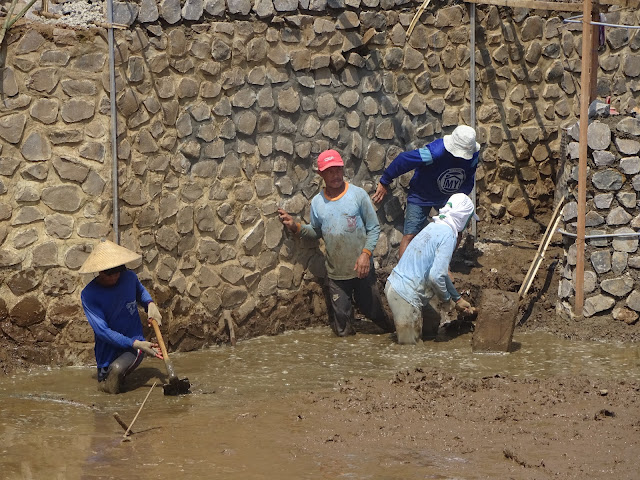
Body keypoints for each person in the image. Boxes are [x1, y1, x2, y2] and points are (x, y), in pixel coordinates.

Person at [278, 149, 394, 337]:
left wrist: (366, 254)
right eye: (330, 171)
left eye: (338, 170)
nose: (335, 175)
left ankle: (395, 333)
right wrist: (296, 227)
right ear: (321, 174)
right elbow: (317, 231)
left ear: (343, 169)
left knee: (374, 313)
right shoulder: (317, 203)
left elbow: (373, 228)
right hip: (336, 274)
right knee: (342, 327)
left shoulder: (358, 195)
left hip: (362, 269)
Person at [371, 125, 480, 258]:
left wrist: (459, 199)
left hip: (448, 197)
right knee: (410, 234)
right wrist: (385, 180)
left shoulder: (473, 154)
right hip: (421, 193)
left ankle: (442, 267)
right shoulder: (435, 152)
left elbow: (469, 176)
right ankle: (402, 273)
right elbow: (405, 159)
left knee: (455, 231)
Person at [384, 193, 477, 345]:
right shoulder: (448, 235)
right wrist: (447, 300)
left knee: (432, 323)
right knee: (409, 352)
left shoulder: (435, 226)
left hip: (396, 286)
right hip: (405, 295)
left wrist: (458, 299)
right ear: (463, 218)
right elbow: (436, 276)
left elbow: (440, 273)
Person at [79, 239, 164, 394]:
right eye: (108, 275)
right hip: (109, 349)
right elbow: (102, 332)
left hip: (135, 342)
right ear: (99, 272)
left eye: (117, 274)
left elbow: (140, 292)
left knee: (117, 370)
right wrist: (134, 343)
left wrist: (150, 304)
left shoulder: (129, 278)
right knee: (107, 387)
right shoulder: (89, 295)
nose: (113, 278)